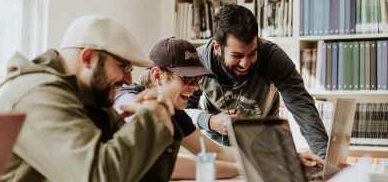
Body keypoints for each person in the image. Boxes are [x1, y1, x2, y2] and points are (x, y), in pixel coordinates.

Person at [0, 15, 181, 182]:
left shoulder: (92, 102)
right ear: (88, 58)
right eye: (124, 67)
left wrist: (163, 121)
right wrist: (150, 119)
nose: (129, 80)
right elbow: (98, 176)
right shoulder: (37, 95)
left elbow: (144, 177)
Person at [114, 37, 325, 180]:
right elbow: (164, 164)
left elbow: (214, 152)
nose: (195, 87)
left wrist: (280, 157)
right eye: (187, 79)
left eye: (197, 80)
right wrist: (254, 167)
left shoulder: (173, 109)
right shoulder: (128, 100)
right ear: (157, 76)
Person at [185, 3, 329, 160]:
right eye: (237, 56)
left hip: (266, 151)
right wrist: (210, 121)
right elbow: (184, 110)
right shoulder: (199, 62)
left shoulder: (273, 58)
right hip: (217, 152)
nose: (245, 64)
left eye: (252, 53)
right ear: (217, 48)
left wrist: (324, 161)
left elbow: (303, 109)